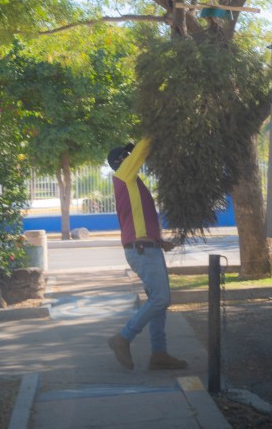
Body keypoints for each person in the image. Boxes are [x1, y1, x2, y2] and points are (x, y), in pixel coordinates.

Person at [106, 138, 187, 371]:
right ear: (120, 161)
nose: (131, 157)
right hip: (141, 251)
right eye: (126, 155)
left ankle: (159, 353)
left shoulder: (133, 183)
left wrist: (160, 242)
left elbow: (140, 219)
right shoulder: (124, 174)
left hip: (148, 249)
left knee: (158, 302)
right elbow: (142, 148)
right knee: (161, 299)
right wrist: (155, 129)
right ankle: (123, 338)